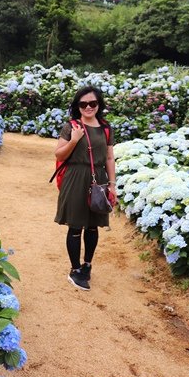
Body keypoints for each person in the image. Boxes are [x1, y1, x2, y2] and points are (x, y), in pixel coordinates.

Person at [54, 86, 116, 291]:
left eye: (93, 103)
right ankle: (75, 269)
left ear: (99, 105)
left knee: (93, 224)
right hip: (75, 178)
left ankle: (87, 265)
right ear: (77, 106)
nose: (88, 107)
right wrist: (74, 140)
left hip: (98, 178)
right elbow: (59, 154)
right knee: (75, 225)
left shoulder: (106, 128)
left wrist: (113, 185)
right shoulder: (71, 126)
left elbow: (109, 157)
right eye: (83, 104)